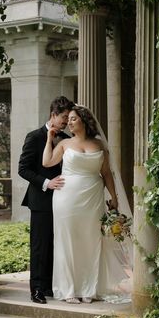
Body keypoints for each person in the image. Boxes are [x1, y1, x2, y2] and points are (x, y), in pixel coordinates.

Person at [42, 104, 132, 303]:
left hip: (92, 199)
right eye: (69, 119)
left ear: (84, 121)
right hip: (66, 199)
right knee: (67, 243)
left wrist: (114, 198)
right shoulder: (64, 144)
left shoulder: (99, 145)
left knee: (91, 242)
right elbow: (47, 163)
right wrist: (49, 140)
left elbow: (107, 173)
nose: (69, 122)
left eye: (73, 118)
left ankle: (88, 289)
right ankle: (69, 290)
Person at [18, 96, 74, 304]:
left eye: (69, 118)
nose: (66, 122)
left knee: (56, 244)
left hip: (64, 201)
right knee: (40, 245)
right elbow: (23, 169)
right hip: (41, 200)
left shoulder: (67, 138)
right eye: (64, 117)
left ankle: (51, 285)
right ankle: (37, 290)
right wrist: (46, 183)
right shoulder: (34, 137)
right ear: (53, 115)